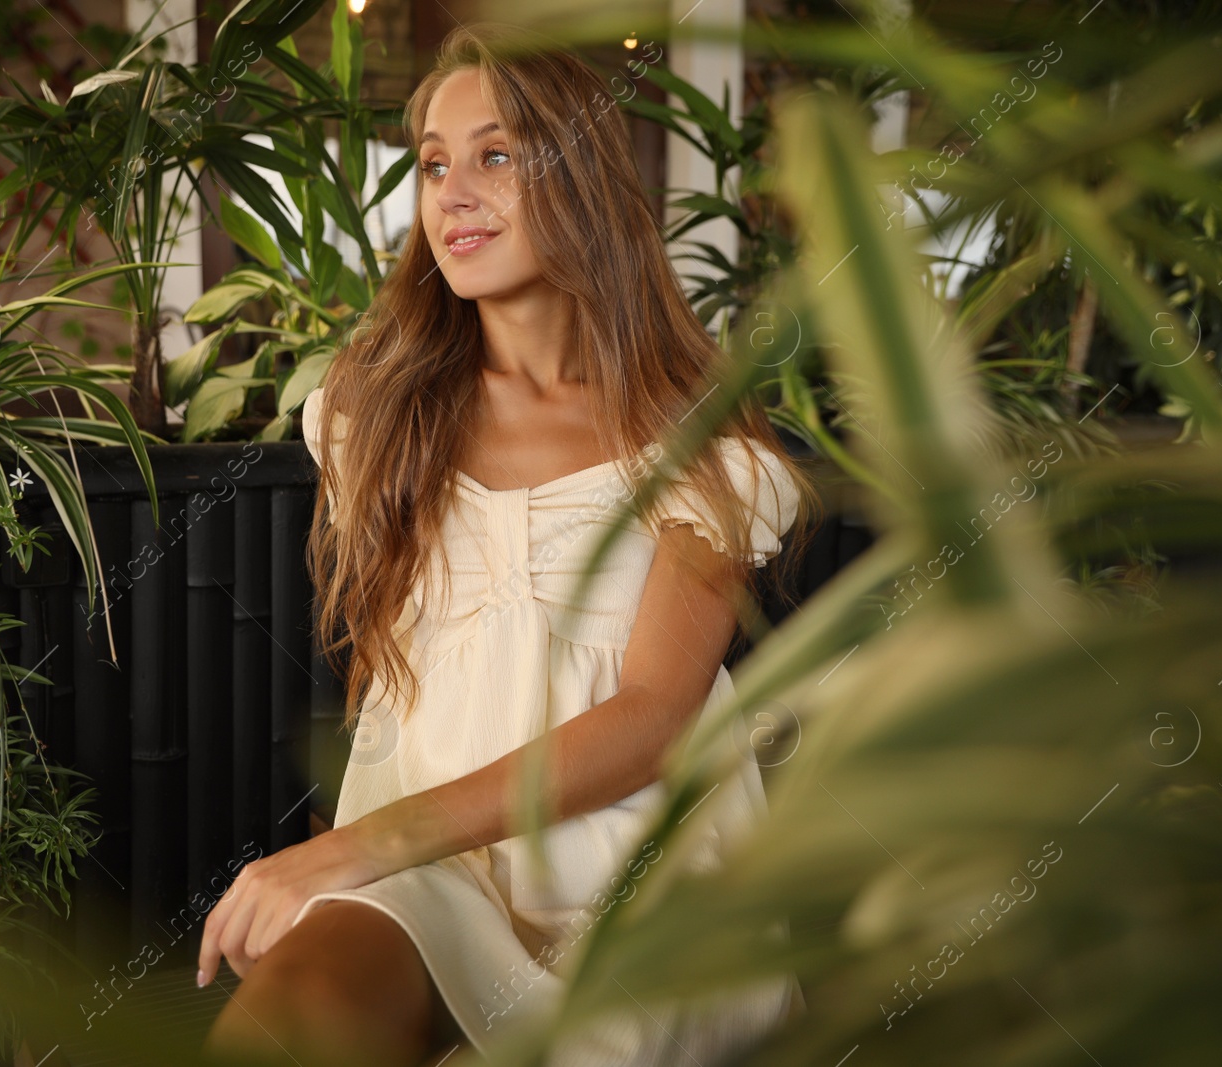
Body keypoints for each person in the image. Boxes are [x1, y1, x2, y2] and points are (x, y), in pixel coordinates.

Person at [197, 21, 816, 1067]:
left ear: (581, 179)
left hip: (637, 887)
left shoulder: (699, 440)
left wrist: (341, 849)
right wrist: (353, 855)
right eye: (434, 163)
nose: (452, 191)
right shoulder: (372, 411)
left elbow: (653, 718)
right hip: (431, 862)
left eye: (495, 153)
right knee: (285, 1028)